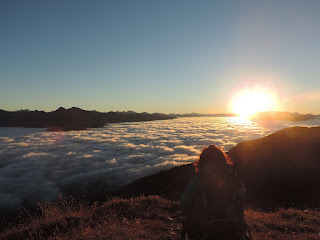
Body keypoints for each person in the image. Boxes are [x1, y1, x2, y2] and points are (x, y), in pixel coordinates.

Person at [180, 145, 251, 240]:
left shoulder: (198, 181)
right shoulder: (233, 178)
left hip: (204, 233)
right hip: (234, 232)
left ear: (202, 161)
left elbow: (184, 203)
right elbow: (241, 200)